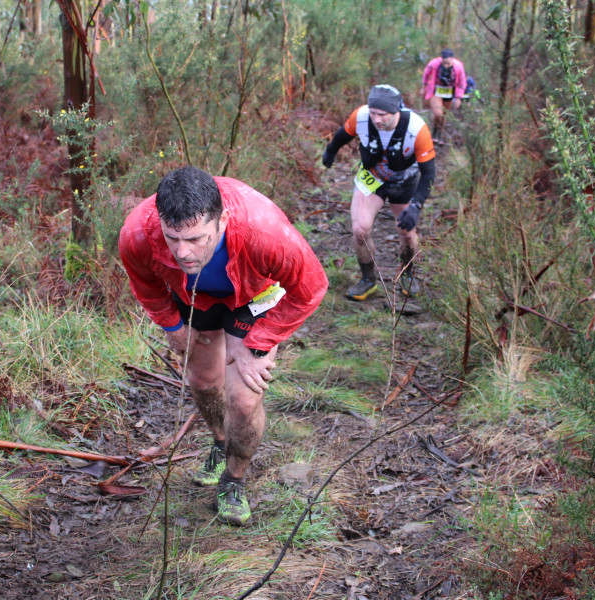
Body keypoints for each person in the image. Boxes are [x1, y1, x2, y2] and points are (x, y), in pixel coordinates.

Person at [118, 166, 328, 525]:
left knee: (244, 401)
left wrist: (259, 342)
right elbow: (145, 284)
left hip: (254, 295)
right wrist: (171, 325)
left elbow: (311, 288)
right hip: (195, 297)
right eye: (173, 239)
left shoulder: (265, 232)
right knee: (202, 382)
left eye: (197, 239)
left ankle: (234, 479)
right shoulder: (138, 232)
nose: (183, 253)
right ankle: (219, 441)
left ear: (223, 220)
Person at [321, 84, 436, 301]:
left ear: (397, 111)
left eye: (382, 115)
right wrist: (330, 153)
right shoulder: (361, 117)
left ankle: (407, 274)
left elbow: (429, 174)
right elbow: (341, 135)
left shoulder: (416, 128)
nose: (376, 120)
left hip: (404, 182)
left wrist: (416, 206)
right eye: (373, 113)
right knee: (360, 229)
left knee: (407, 234)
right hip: (371, 180)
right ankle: (368, 280)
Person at [420, 48, 467, 144]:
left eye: (447, 63)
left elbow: (462, 82)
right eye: (443, 63)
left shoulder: (458, 67)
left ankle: (439, 134)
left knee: (443, 115)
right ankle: (434, 131)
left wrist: (459, 97)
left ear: (452, 59)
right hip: (436, 91)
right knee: (438, 113)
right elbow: (426, 73)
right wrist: (424, 87)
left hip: (449, 93)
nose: (445, 65)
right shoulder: (434, 64)